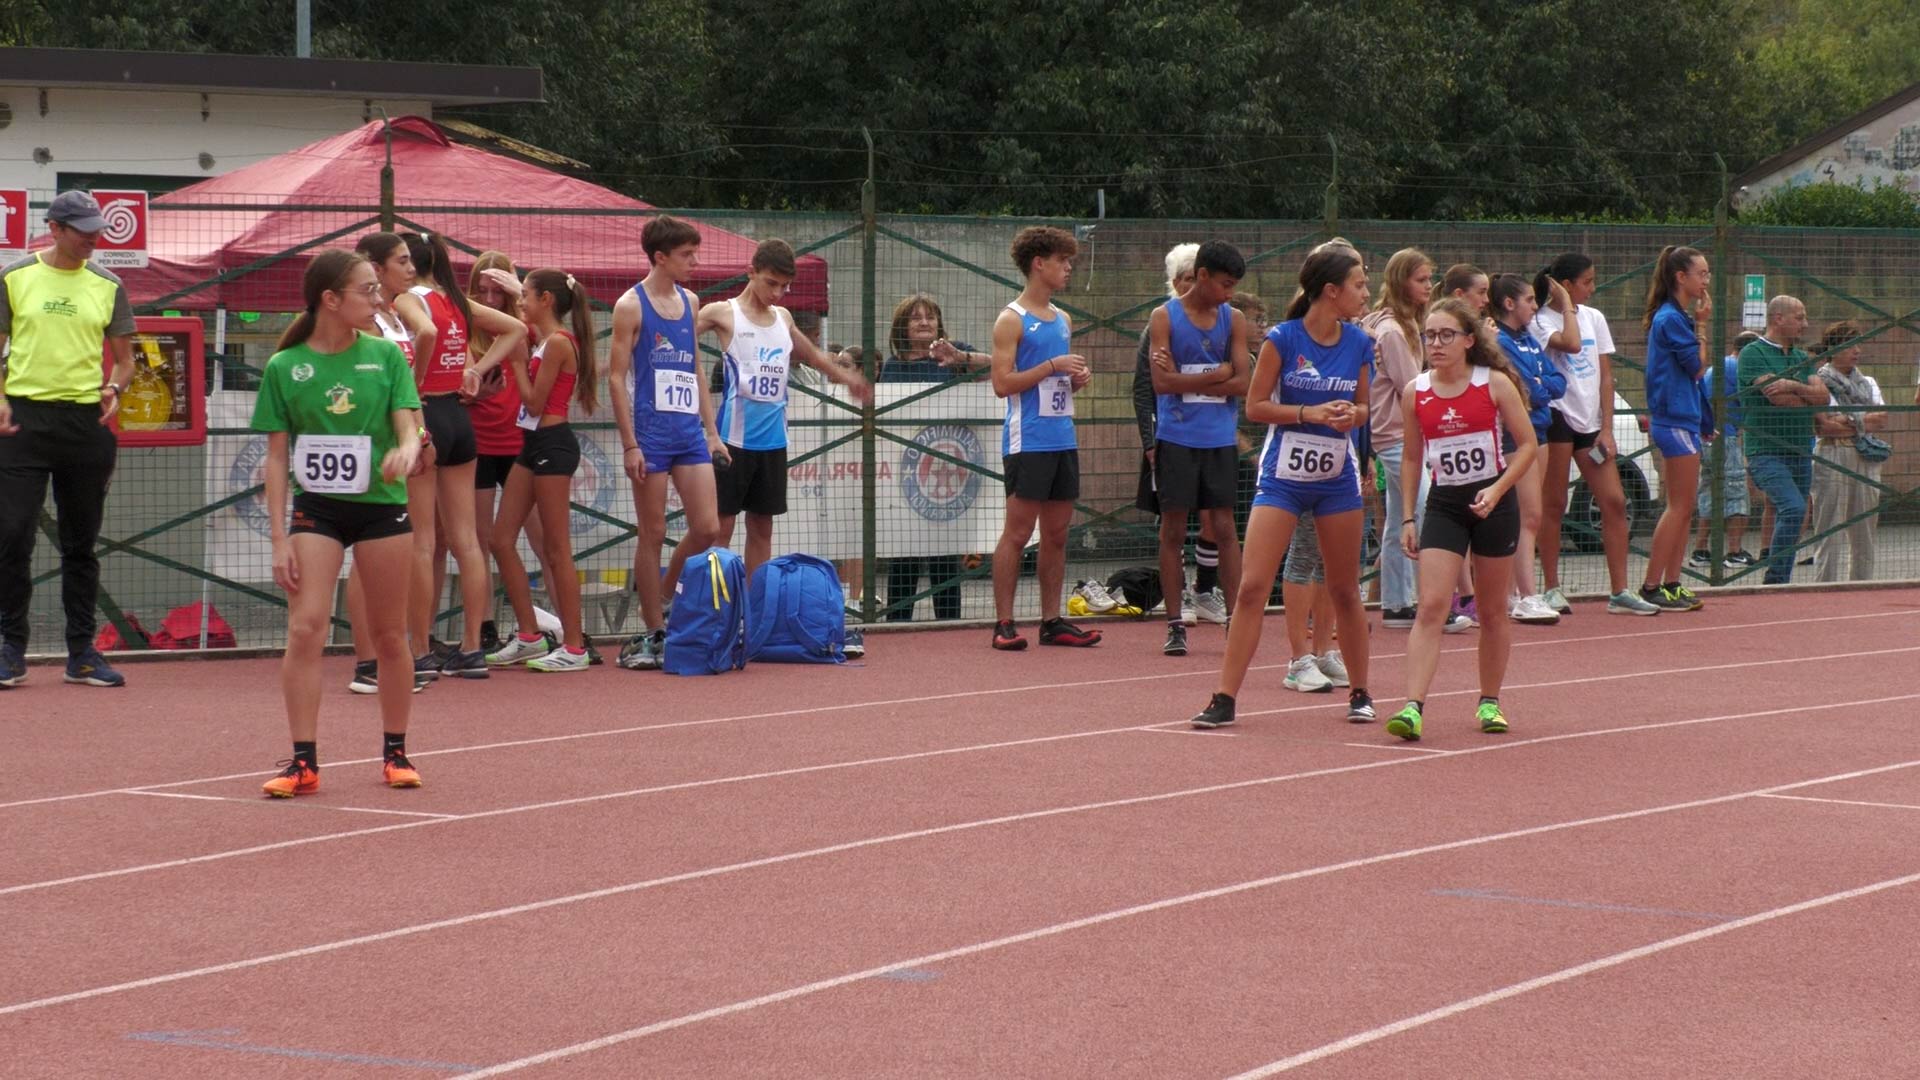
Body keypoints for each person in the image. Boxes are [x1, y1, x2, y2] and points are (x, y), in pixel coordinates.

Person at [250, 249, 423, 796]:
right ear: (331, 299)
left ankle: (396, 751)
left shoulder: (386, 356)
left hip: (381, 508)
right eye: (367, 290)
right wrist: (279, 539)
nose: (379, 300)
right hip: (317, 509)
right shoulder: (285, 367)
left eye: (379, 289)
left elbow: (409, 425)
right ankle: (303, 762)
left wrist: (407, 449)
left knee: (390, 635)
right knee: (305, 627)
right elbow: (277, 457)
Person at [1191, 245, 1375, 729]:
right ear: (1331, 291)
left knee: (1344, 589)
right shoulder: (1283, 339)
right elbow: (1253, 407)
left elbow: (1364, 408)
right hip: (1283, 478)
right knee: (1252, 587)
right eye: (1359, 285)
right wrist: (1307, 413)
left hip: (1337, 478)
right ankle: (1224, 697)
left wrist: (1349, 414)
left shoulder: (1359, 342)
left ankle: (1360, 692)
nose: (1366, 292)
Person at [1383, 298, 1539, 740]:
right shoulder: (1416, 391)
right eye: (1430, 335)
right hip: (1446, 505)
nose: (1436, 343)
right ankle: (1412, 707)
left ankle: (1489, 701)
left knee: (1491, 611)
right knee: (1432, 605)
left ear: (1469, 341)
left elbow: (1527, 447)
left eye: (1446, 334)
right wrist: (1409, 520)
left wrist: (1497, 489)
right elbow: (1412, 457)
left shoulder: (1495, 385)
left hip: (1493, 502)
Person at [0, 191, 135, 689]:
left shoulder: (108, 284)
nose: (93, 237)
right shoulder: (14, 277)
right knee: (12, 535)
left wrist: (113, 389)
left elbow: (125, 361)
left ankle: (82, 654)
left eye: (97, 228)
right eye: (82, 229)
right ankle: (10, 649)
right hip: (23, 425)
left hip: (84, 426)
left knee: (81, 544)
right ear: (54, 228)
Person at [395, 231, 526, 678]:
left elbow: (426, 332)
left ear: (408, 264)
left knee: (424, 541)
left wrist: (411, 383)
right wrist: (475, 369)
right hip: (458, 418)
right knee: (468, 541)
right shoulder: (455, 298)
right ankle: (471, 648)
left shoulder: (411, 299)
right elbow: (516, 328)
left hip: (427, 413)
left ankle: (419, 650)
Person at [704, 238, 872, 578]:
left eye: (784, 286)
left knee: (762, 528)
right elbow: (676, 335)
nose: (778, 293)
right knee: (721, 528)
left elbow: (810, 354)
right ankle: (715, 608)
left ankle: (756, 605)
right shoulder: (722, 312)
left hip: (772, 441)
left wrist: (846, 378)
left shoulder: (782, 317)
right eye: (771, 283)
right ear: (751, 272)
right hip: (733, 439)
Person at [610, 216, 726, 670]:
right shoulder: (630, 306)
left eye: (695, 253)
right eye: (686, 255)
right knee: (653, 532)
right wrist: (630, 445)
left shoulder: (691, 300)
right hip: (652, 436)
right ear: (660, 257)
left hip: (688, 435)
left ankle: (665, 595)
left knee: (708, 528)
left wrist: (711, 430)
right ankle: (654, 626)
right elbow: (617, 379)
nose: (695, 262)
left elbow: (695, 368)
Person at [989, 226, 1101, 650]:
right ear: (1040, 264)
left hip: (1062, 439)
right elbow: (1002, 383)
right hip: (1028, 440)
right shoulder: (1011, 319)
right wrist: (1052, 364)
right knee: (1017, 534)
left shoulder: (1064, 319)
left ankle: (1052, 620)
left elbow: (1055, 383)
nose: (1069, 268)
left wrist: (1074, 381)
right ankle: (1003, 623)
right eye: (1063, 261)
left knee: (1057, 534)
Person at [482, 269, 600, 672]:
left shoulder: (560, 345)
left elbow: (534, 403)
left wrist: (515, 364)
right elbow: (522, 323)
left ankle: (574, 645)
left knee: (555, 547)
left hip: (553, 445)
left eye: (527, 296)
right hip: (532, 446)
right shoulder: (543, 340)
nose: (520, 304)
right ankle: (530, 635)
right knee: (500, 539)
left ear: (546, 300)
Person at [1529, 254, 1658, 615]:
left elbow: (1604, 375)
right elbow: (1569, 345)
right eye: (1586, 281)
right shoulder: (1539, 320)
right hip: (1557, 417)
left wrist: (1606, 426)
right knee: (1552, 503)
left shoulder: (1595, 318)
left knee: (1615, 502)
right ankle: (1552, 587)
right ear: (1566, 286)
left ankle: (1619, 591)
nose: (1593, 287)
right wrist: (1566, 307)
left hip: (1590, 422)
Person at [1145, 240, 1249, 655]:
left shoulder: (1234, 319)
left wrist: (1206, 378)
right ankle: (1175, 623)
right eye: (1224, 284)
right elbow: (1161, 384)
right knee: (1172, 530)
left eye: (1233, 286)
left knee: (1225, 528)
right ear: (1201, 275)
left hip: (1219, 439)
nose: (1229, 293)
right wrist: (1216, 375)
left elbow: (1243, 382)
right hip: (1176, 437)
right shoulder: (1163, 317)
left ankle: (1235, 620)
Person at [341, 231, 433, 696]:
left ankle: (395, 655)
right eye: (402, 261)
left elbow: (404, 389)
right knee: (365, 554)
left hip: (399, 448)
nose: (412, 267)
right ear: (376, 268)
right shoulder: (362, 324)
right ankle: (367, 662)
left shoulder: (396, 318)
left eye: (412, 260)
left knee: (391, 552)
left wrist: (418, 433)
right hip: (367, 451)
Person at [879, 293, 988, 624]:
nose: (924, 322)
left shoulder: (955, 356)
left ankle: (948, 622)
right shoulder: (894, 367)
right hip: (906, 474)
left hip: (948, 470)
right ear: (903, 327)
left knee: (944, 551)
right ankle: (898, 621)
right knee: (904, 554)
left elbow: (996, 370)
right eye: (915, 317)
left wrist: (961, 357)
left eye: (930, 316)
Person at [1637, 245, 1713, 610]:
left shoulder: (1674, 317)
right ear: (1680, 277)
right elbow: (1697, 367)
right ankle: (1652, 585)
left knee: (1684, 506)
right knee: (1679, 506)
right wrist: (1703, 326)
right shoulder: (1672, 319)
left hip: (1684, 419)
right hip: (1673, 420)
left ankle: (1671, 582)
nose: (1706, 280)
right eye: (1701, 273)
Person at [1489, 273, 1564, 625]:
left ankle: (1513, 594)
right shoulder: (1500, 342)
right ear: (1509, 303)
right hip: (1517, 436)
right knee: (1525, 516)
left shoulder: (1530, 340)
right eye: (1530, 300)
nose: (1535, 307)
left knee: (1529, 517)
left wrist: (1539, 385)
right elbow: (1525, 391)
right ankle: (1524, 595)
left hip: (1541, 430)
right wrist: (1537, 387)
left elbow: (1556, 382)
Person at [1739, 294, 1825, 586]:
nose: (1805, 324)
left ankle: (1782, 579)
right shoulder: (1753, 353)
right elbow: (1777, 398)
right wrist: (1803, 395)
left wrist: (1792, 384)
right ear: (1779, 319)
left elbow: (1823, 398)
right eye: (1799, 318)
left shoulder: (1802, 358)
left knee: (1797, 513)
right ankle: (1775, 578)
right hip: (1766, 450)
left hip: (1800, 448)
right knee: (1793, 507)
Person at [1809, 320, 1887, 582]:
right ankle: (1825, 585)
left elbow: (1881, 418)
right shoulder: (1820, 381)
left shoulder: (1869, 382)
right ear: (1833, 349)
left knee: (1864, 527)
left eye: (1859, 344)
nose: (1857, 351)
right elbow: (1825, 427)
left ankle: (1862, 585)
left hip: (1866, 455)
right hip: (1833, 454)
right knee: (1828, 525)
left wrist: (1848, 421)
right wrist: (1861, 421)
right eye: (1850, 345)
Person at [1690, 331, 1761, 570]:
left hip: (1708, 437)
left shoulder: (1720, 366)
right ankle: (1734, 551)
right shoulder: (1735, 367)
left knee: (1710, 490)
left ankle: (1700, 550)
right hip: (1725, 437)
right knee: (1737, 490)